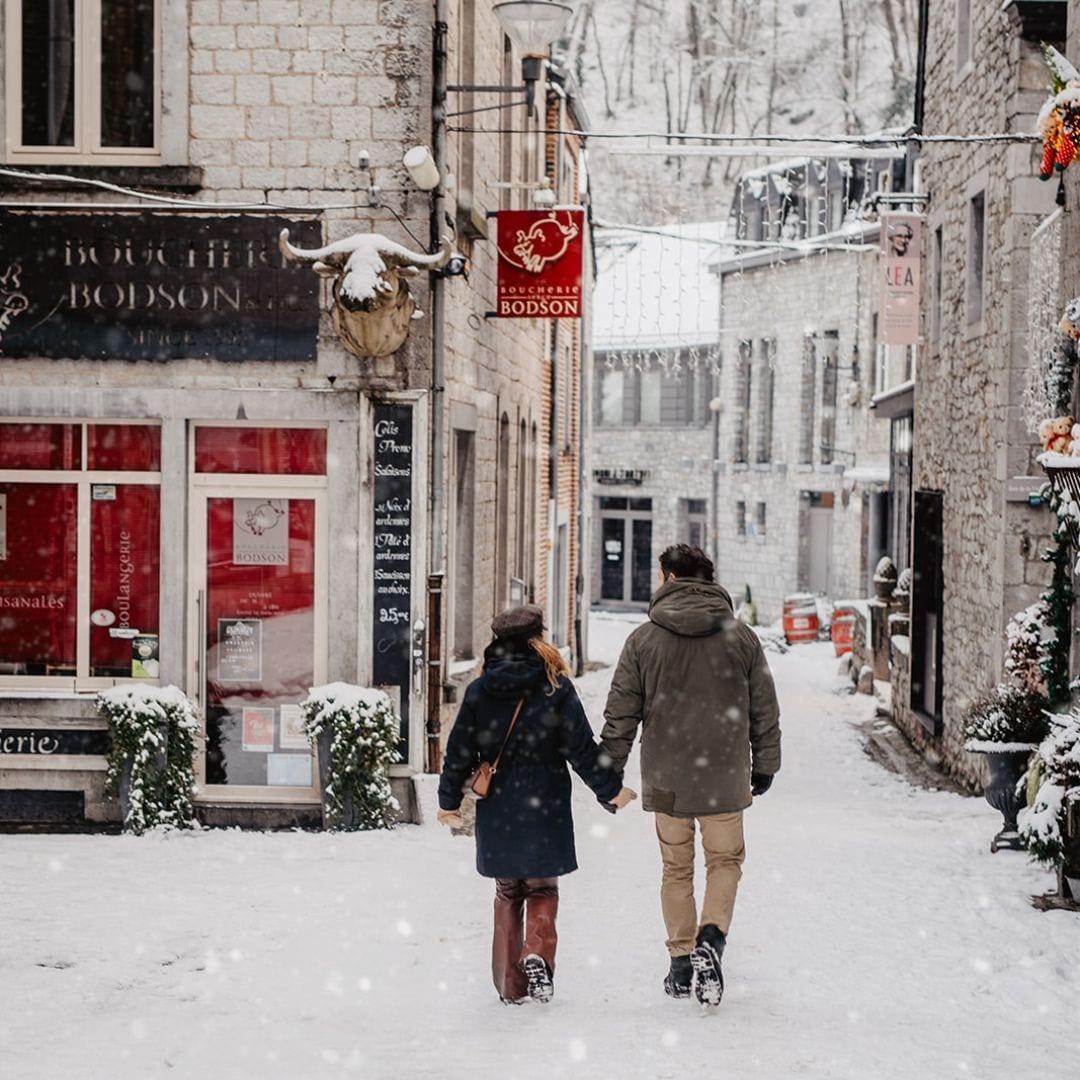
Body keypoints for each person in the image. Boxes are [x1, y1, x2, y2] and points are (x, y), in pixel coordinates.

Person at [601, 544, 781, 1007]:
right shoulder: (740, 638)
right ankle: (711, 940)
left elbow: (621, 713)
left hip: (667, 776)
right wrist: (765, 764)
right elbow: (764, 709)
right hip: (723, 774)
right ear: (709, 580)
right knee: (725, 862)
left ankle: (682, 962)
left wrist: (609, 772)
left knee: (675, 867)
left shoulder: (643, 640)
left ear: (667, 578)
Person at [437, 604, 637, 1005]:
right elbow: (580, 748)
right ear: (536, 640)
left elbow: (458, 750)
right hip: (545, 801)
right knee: (543, 886)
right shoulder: (555, 687)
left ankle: (511, 986)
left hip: (499, 807)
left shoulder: (480, 690)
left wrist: (448, 801)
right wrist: (610, 789)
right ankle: (537, 952)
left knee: (508, 890)